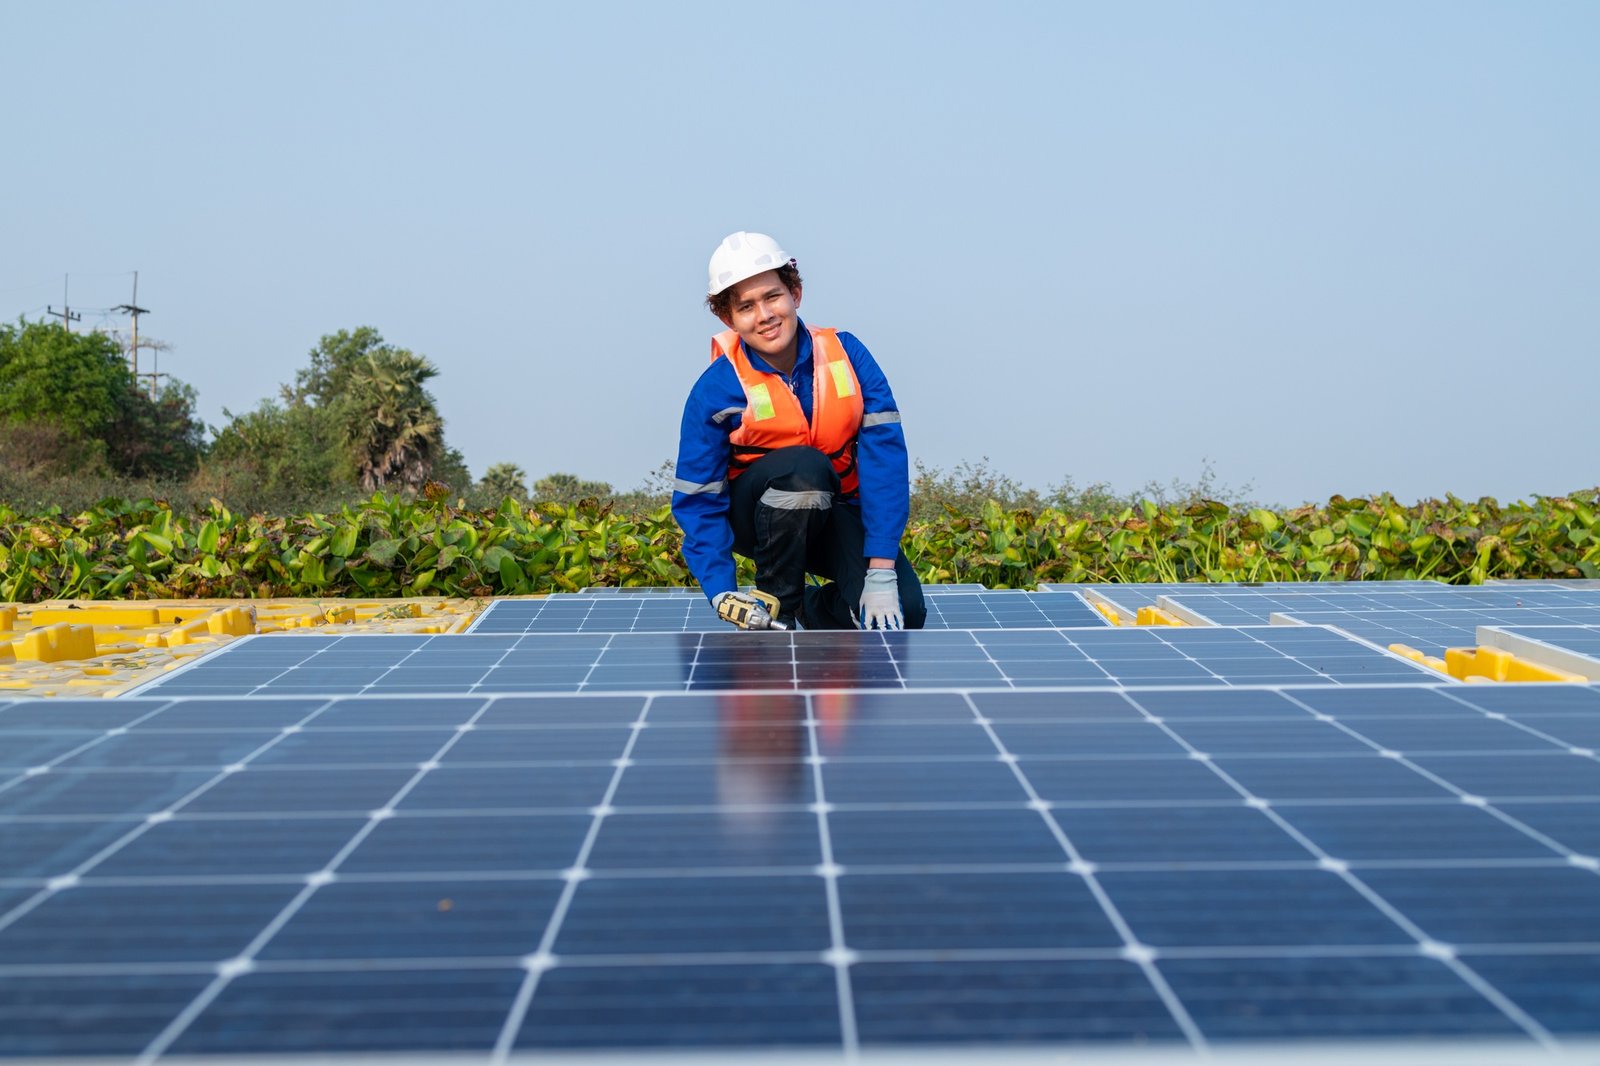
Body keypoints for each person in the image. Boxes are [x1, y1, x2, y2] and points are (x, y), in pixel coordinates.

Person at [672, 231, 927, 631]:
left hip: (837, 510)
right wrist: (720, 589)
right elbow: (697, 497)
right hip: (757, 519)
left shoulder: (849, 355)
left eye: (773, 297)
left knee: (905, 614)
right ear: (728, 319)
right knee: (804, 469)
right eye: (746, 307)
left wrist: (880, 569)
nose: (765, 315)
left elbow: (885, 460)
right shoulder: (715, 390)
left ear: (795, 293)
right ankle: (780, 606)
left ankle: (810, 607)